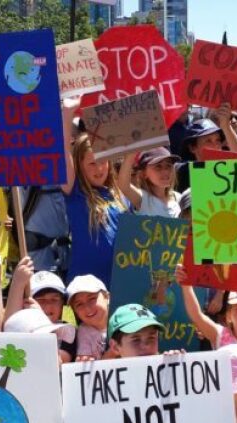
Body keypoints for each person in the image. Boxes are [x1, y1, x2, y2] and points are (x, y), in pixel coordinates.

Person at [61, 98, 128, 286]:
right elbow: (63, 153)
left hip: (120, 283)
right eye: (91, 163)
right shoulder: (75, 192)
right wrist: (67, 115)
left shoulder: (121, 195)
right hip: (86, 287)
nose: (99, 169)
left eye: (102, 161)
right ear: (79, 166)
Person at [4, 257, 77, 363]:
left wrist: (41, 319)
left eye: (54, 299)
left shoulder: (67, 331)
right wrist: (18, 284)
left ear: (63, 303)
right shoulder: (22, 327)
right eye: (41, 300)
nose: (48, 305)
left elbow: (59, 363)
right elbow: (8, 328)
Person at [118, 147, 181, 217]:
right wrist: (130, 157)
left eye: (168, 166)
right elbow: (124, 186)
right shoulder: (142, 199)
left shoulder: (179, 198)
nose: (165, 171)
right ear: (144, 174)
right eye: (158, 166)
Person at [67, 274, 111, 361]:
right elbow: (88, 363)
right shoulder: (84, 331)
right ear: (74, 311)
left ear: (107, 297)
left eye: (92, 299)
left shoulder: (122, 319)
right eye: (79, 304)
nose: (87, 308)